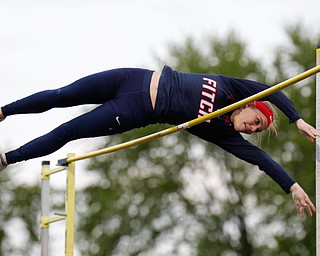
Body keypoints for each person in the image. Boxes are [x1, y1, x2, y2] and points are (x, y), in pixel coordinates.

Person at [0, 66, 318, 218]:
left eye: (256, 130)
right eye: (256, 120)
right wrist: (297, 119)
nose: (251, 129)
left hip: (133, 110)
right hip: (132, 78)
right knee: (61, 95)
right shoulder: (231, 87)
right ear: (250, 104)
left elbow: (261, 160)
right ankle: (4, 111)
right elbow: (272, 89)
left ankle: (7, 159)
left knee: (67, 132)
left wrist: (291, 185)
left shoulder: (221, 132)